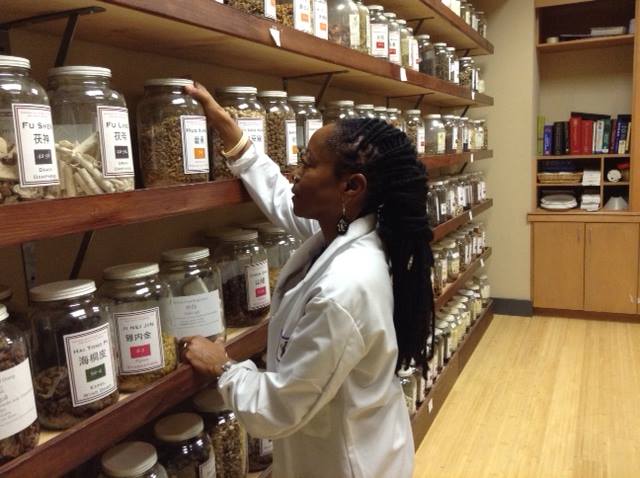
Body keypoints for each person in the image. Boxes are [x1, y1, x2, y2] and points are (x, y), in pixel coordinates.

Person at [182, 83, 435, 478]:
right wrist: (235, 139)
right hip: (364, 443)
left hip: (348, 464)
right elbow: (286, 201)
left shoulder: (345, 288)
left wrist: (224, 367)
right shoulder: (352, 231)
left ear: (351, 187)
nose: (294, 173)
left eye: (307, 163)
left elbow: (276, 410)